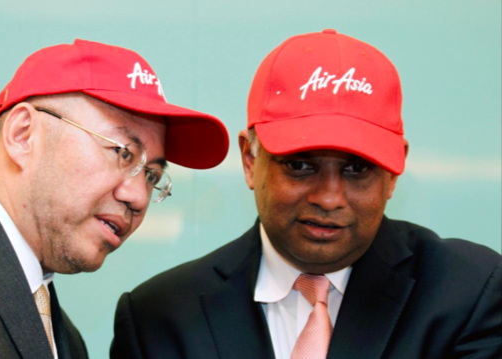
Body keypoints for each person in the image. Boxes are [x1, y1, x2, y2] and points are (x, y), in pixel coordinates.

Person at [111, 29, 502, 359]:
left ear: (394, 170)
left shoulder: (470, 293)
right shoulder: (159, 318)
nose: (329, 198)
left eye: (357, 169)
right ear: (250, 158)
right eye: (299, 165)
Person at [0, 39, 229, 359]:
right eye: (122, 153)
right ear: (22, 134)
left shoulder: (66, 338)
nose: (138, 198)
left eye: (152, 176)